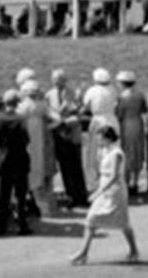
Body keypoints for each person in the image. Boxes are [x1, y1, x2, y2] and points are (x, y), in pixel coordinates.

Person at [69, 124, 139, 266]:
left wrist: (98, 192)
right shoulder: (105, 151)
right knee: (91, 220)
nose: (98, 141)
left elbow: (114, 176)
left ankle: (134, 250)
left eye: (100, 139)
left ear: (108, 138)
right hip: (104, 190)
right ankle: (83, 253)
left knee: (123, 223)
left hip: (115, 192)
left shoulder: (116, 153)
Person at [45, 69, 88, 210]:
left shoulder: (73, 94)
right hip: (58, 135)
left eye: (61, 80)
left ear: (65, 80)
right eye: (56, 80)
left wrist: (70, 119)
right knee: (64, 167)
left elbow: (80, 112)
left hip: (72, 134)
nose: (58, 83)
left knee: (76, 166)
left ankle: (81, 195)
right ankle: (71, 195)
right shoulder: (48, 95)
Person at [0, 92, 32, 235]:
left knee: (2, 194)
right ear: (16, 103)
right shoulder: (21, 119)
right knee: (21, 195)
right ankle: (22, 224)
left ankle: (0, 226)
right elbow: (27, 139)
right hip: (20, 158)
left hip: (3, 157)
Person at [17, 80, 56, 216]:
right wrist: (48, 127)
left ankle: (29, 204)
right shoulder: (42, 106)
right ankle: (42, 207)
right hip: (39, 142)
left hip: (26, 142)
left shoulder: (22, 107)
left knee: (25, 170)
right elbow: (58, 119)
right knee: (38, 171)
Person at [114, 71, 147, 195]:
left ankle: (126, 181)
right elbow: (144, 109)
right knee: (138, 151)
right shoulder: (139, 95)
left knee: (126, 152)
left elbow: (119, 114)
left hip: (126, 125)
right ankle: (136, 181)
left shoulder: (122, 97)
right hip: (138, 124)